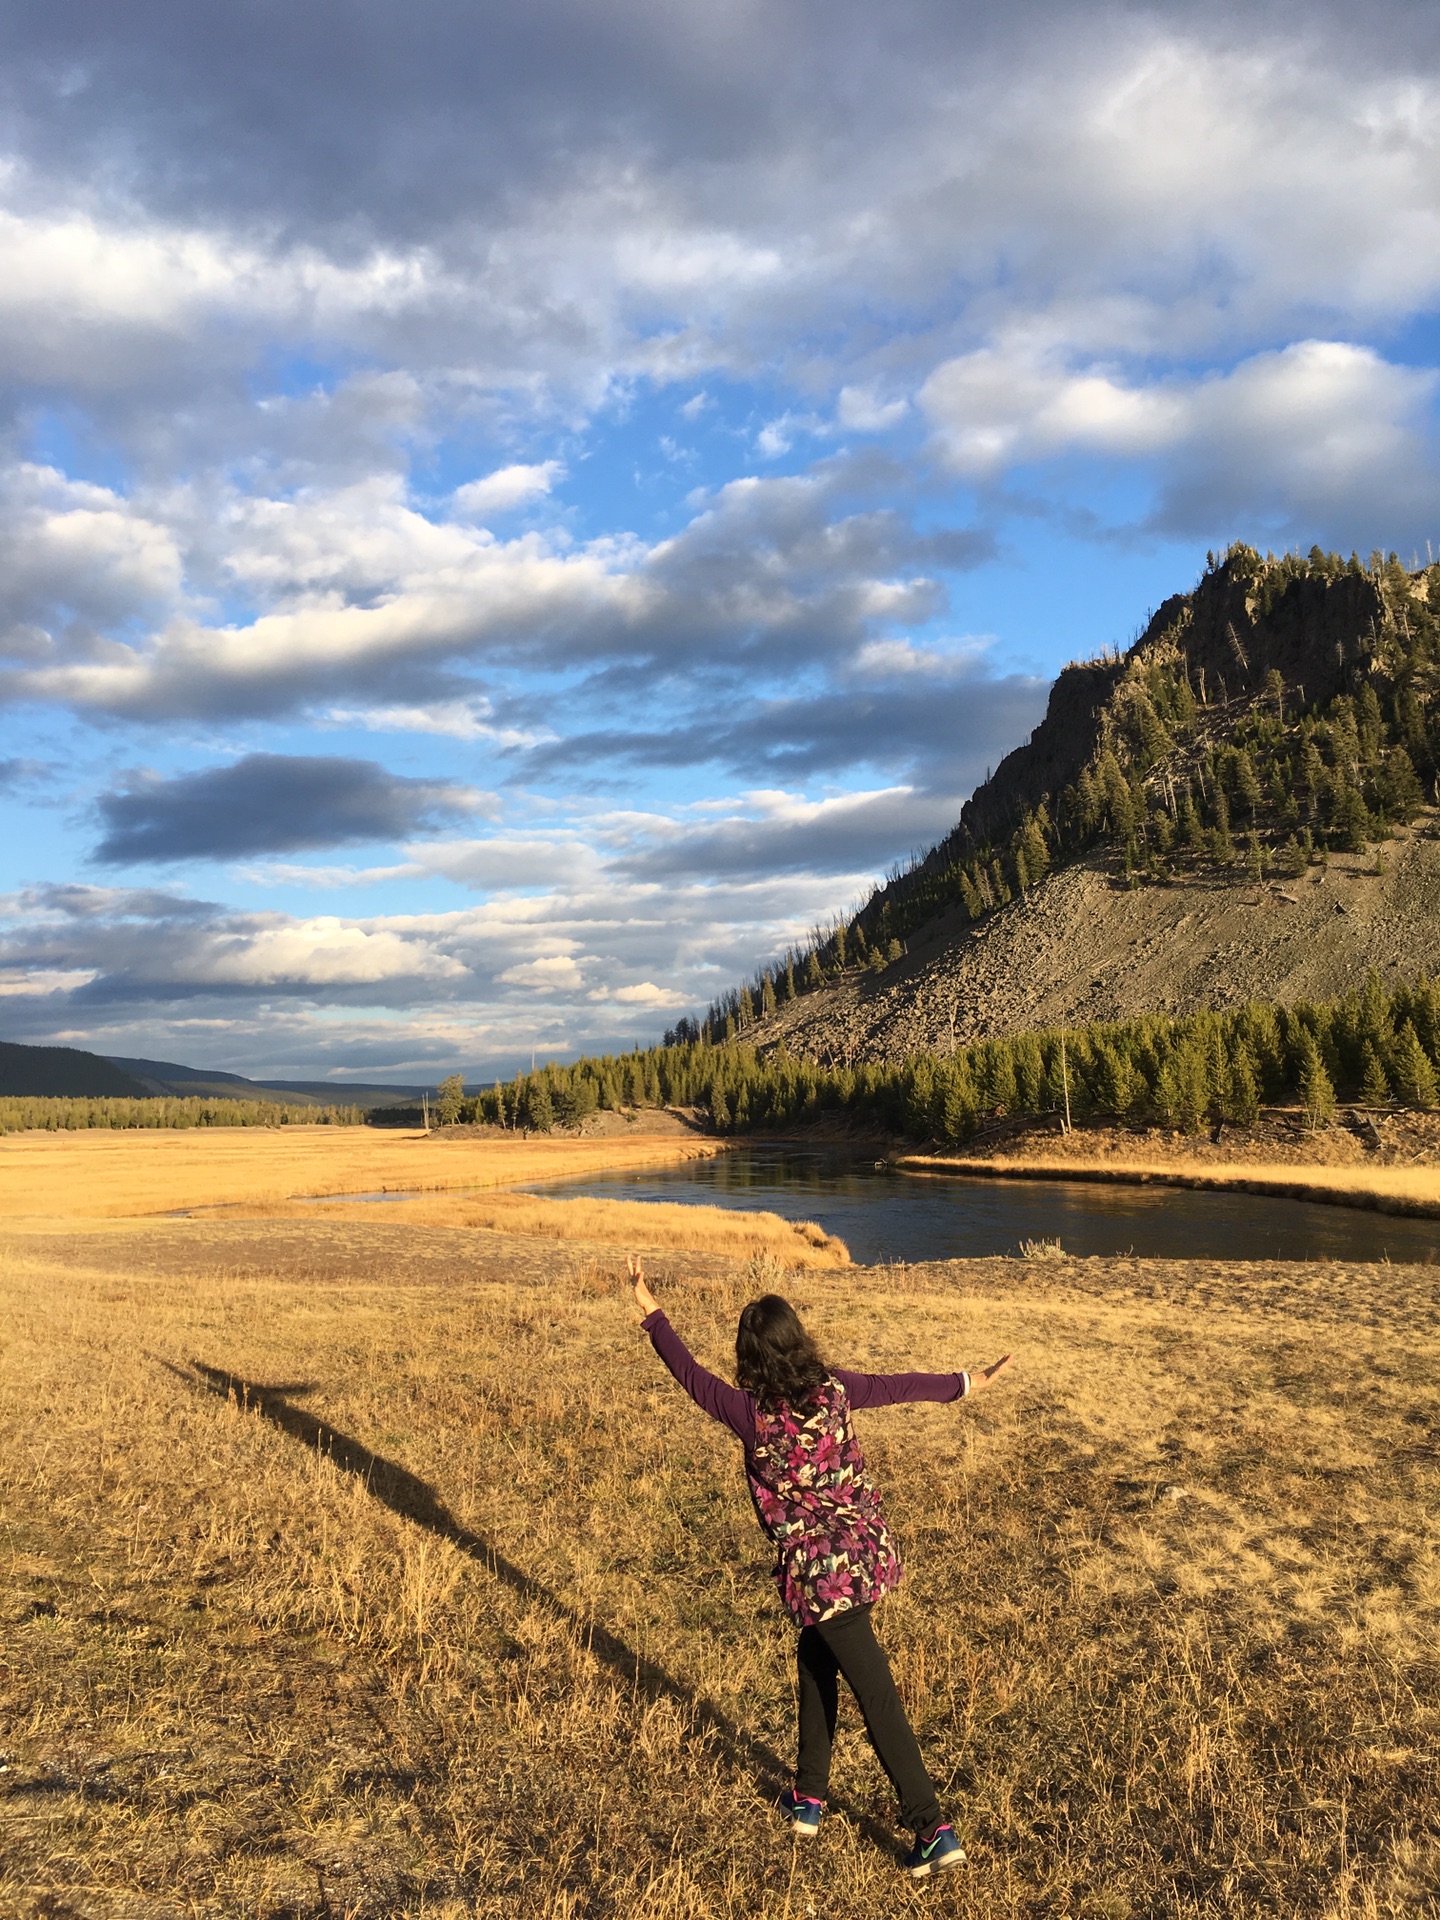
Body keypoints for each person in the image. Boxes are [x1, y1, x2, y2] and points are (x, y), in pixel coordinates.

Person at [627, 1254, 1012, 1878]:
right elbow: (898, 1385)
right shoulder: (835, 1388)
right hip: (862, 1557)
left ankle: (932, 1829)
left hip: (822, 1576)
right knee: (814, 1661)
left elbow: (690, 1376)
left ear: (751, 1359)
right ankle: (809, 1797)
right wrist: (966, 1382)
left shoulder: (751, 1415)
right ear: (798, 1340)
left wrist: (652, 1315)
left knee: (878, 1696)